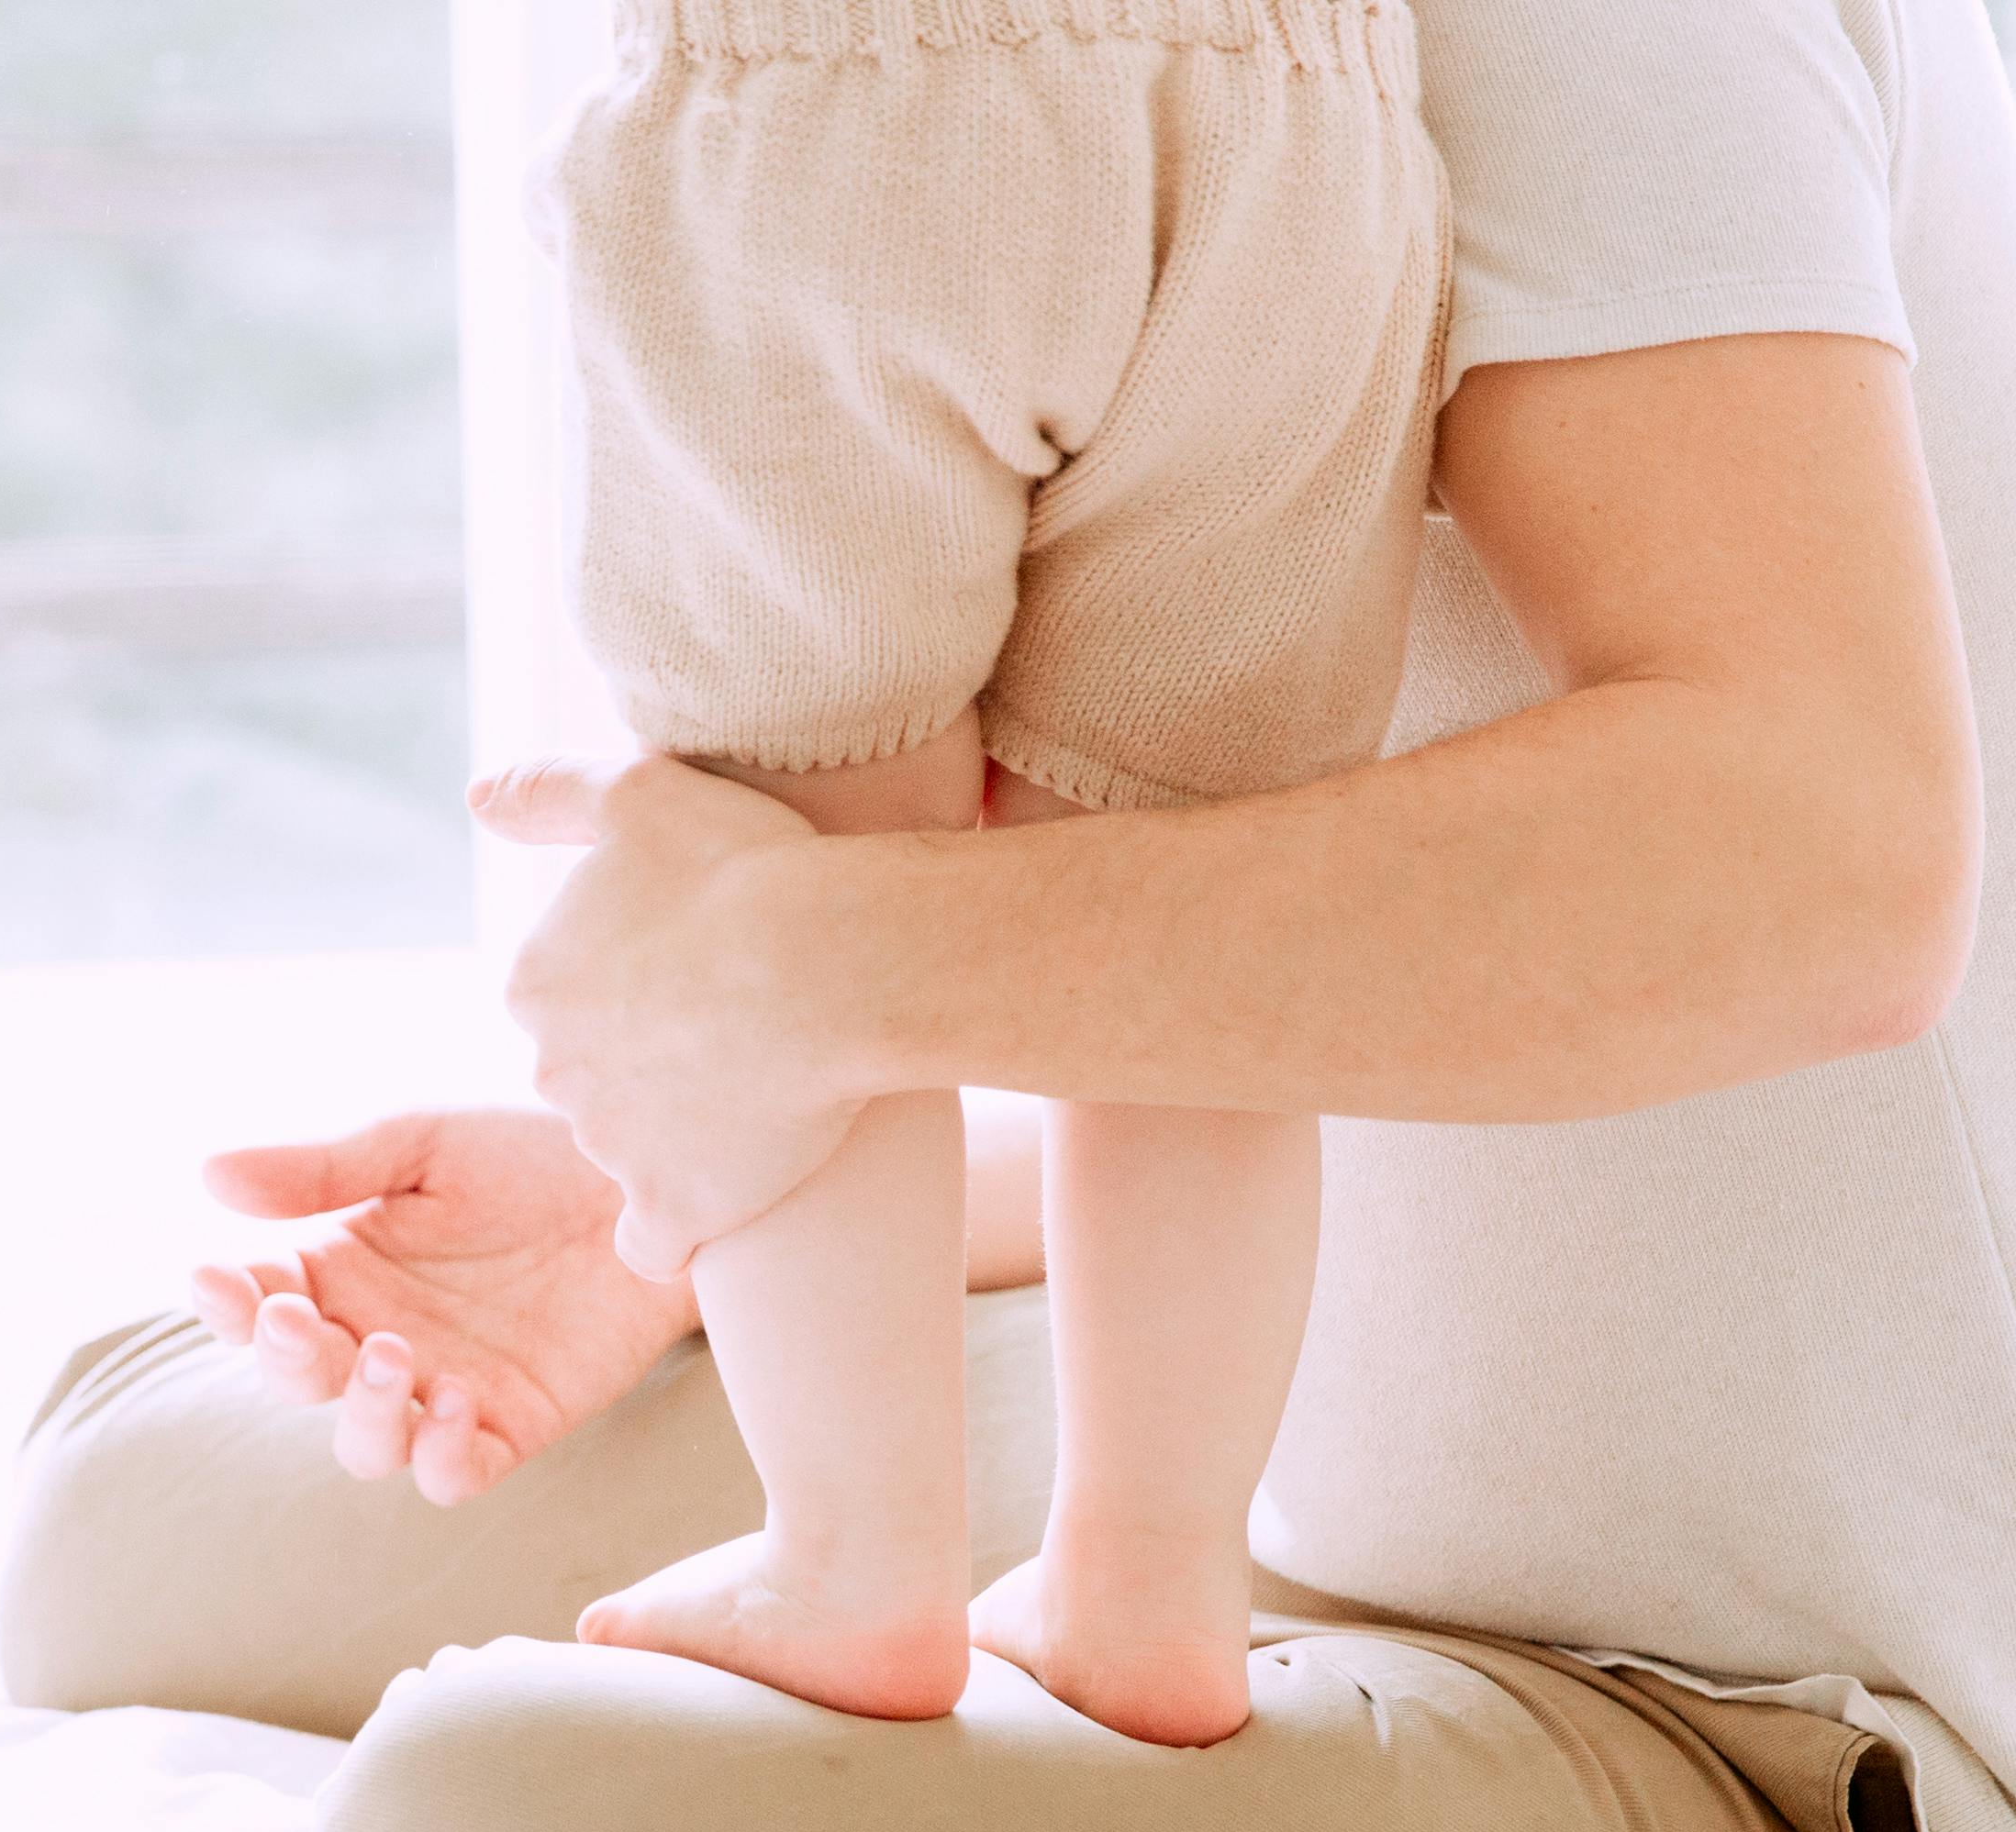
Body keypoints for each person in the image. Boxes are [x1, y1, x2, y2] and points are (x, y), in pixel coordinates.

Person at [0, 0, 2016, 1832]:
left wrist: (803, 970)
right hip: (1312, 1450)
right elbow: (1294, 960)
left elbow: (1818, 869)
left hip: (1806, 1730)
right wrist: (701, 1200)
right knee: (132, 1497)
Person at [524, 0, 1448, 1744]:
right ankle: (1155, 1580)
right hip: (1297, 120)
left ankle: (849, 1564)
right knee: (1195, 922)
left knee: (799, 876)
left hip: (838, 91)